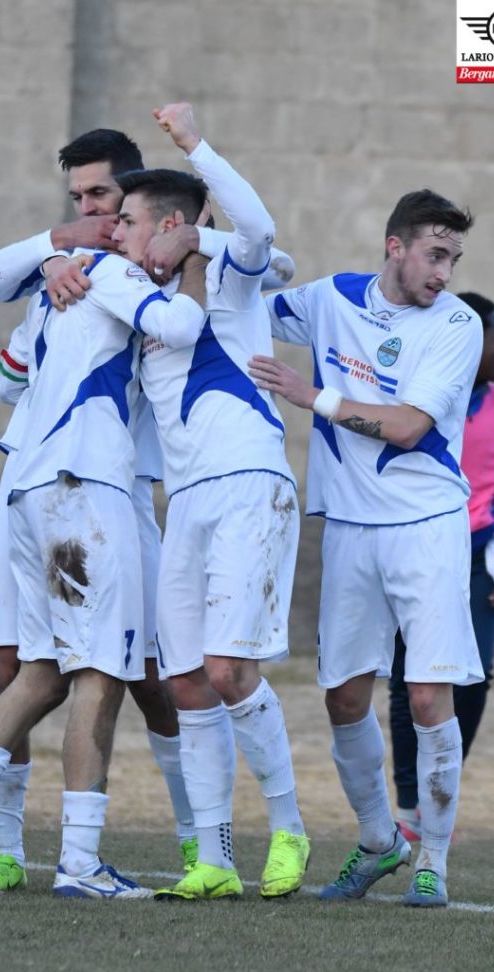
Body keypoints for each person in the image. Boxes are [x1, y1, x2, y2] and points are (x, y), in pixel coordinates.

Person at [0, 190, 207, 898]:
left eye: (123, 218)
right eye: (120, 220)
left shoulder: (61, 284)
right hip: (85, 488)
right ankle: (79, 862)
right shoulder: (109, 272)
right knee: (102, 673)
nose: (116, 229)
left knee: (40, 673)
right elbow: (183, 327)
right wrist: (191, 255)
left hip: (31, 490)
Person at [249, 189, 484, 908]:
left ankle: (431, 863)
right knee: (343, 698)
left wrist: (308, 393)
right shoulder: (329, 299)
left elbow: (410, 426)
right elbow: (245, 307)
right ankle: (380, 840)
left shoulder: (457, 324)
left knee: (423, 695)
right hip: (349, 527)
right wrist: (243, 256)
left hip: (425, 524)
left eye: (452, 258)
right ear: (395, 246)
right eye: (434, 255)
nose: (443, 272)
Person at [105, 102, 309, 901]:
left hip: (250, 480)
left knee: (228, 670)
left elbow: (260, 233)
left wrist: (194, 147)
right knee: (186, 679)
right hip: (183, 498)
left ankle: (288, 828)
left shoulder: (228, 270)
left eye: (128, 221)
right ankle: (213, 858)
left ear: (171, 226)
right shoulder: (137, 294)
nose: (116, 233)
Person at [388, 291, 494, 841]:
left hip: (476, 555)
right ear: (468, 341)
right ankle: (412, 804)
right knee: (407, 681)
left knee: (474, 678)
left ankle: (443, 781)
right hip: (419, 547)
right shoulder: (419, 401)